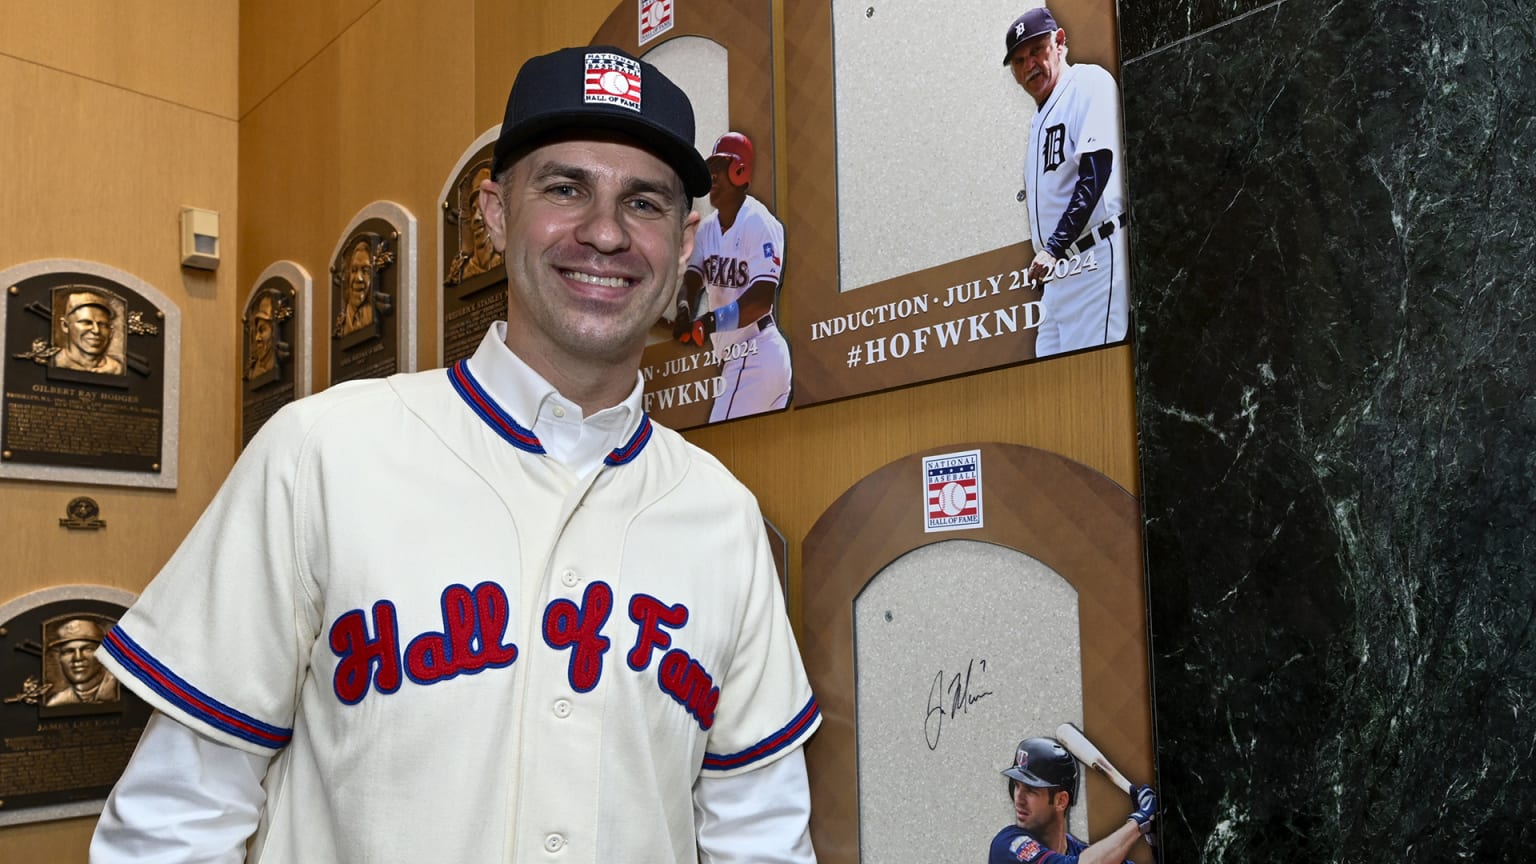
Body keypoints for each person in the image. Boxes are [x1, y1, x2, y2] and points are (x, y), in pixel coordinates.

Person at [91, 45, 820, 864]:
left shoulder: (721, 513)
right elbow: (175, 822)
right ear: (495, 213)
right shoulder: (321, 454)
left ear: (686, 238)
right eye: (565, 187)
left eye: (644, 202)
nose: (606, 232)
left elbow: (758, 837)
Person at [1004, 7, 1129, 358]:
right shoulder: (1040, 117)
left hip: (1093, 261)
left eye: (1036, 51)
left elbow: (1096, 172)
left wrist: (1055, 246)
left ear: (1059, 42)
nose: (1029, 66)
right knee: (1057, 394)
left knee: (1092, 381)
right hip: (1058, 279)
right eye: (1018, 61)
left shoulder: (1088, 84)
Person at [672, 131, 791, 421]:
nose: (712, 177)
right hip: (739, 358)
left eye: (719, 169)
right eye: (709, 170)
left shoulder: (758, 221)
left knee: (720, 451)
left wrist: (710, 321)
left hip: (755, 351)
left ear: (739, 171)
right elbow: (693, 278)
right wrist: (685, 309)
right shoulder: (709, 229)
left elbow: (761, 299)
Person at [989, 737, 1156, 864]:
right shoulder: (1007, 845)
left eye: (1031, 790)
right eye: (1017, 786)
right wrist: (1139, 821)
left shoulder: (1080, 851)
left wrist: (1155, 838)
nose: (1018, 799)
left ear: (1061, 800)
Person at [446, 161, 503, 285]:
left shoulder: (506, 262)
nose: (476, 218)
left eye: (483, 210)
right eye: (473, 210)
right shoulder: (461, 272)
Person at [43, 618, 120, 706]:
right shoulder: (56, 702)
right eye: (69, 651)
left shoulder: (121, 689)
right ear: (59, 658)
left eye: (87, 649)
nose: (77, 658)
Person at [52, 291, 124, 375]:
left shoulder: (117, 369)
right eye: (86, 322)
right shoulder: (54, 361)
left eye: (102, 324)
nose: (96, 330)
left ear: (111, 331)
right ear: (65, 325)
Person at [333, 237, 377, 337]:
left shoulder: (373, 314)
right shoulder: (342, 319)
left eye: (365, 271)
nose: (358, 278)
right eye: (354, 270)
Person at [245, 291, 278, 381]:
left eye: (262, 330)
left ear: (274, 331)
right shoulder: (254, 370)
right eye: (256, 332)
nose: (257, 338)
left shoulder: (276, 361)